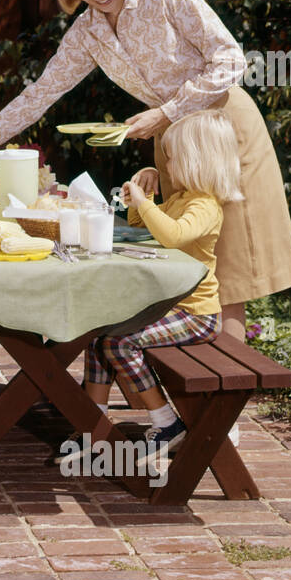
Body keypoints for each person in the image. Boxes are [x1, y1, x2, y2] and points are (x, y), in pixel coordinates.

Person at [0, 0, 291, 336]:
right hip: (173, 143)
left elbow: (231, 61)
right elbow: (37, 96)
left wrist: (166, 113)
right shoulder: (87, 33)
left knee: (231, 271)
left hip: (222, 132)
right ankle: (191, 381)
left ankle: (229, 381)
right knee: (191, 264)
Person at [79, 110, 242, 454]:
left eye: (173, 156)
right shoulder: (183, 199)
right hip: (172, 307)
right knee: (97, 335)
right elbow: (143, 224)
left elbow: (172, 235)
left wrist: (144, 204)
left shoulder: (205, 206)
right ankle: (91, 422)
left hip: (196, 316)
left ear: (196, 161)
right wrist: (142, 195)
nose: (167, 163)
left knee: (119, 343)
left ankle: (167, 423)